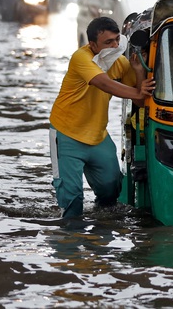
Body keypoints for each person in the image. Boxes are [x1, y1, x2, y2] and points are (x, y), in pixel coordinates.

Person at [49, 16, 155, 218]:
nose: (115, 45)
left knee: (111, 191)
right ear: (93, 45)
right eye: (108, 42)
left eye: (116, 40)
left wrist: (139, 72)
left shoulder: (120, 62)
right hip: (66, 134)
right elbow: (103, 83)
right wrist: (139, 92)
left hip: (98, 135)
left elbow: (140, 101)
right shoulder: (81, 58)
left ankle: (100, 235)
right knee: (72, 201)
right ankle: (69, 242)